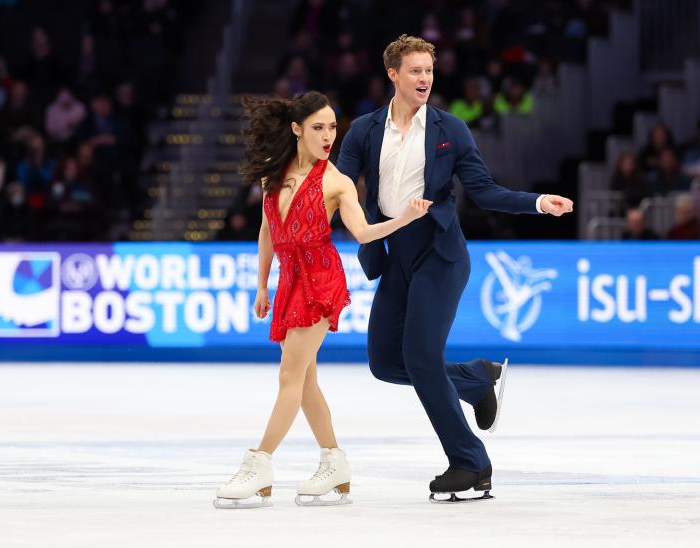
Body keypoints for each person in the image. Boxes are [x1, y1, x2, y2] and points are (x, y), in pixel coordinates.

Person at [337, 35, 573, 503]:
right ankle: (475, 378)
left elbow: (483, 191)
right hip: (393, 254)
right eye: (415, 71)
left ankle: (471, 462)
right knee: (385, 362)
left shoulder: (450, 129)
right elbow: (339, 186)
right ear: (393, 75)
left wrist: (538, 203)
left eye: (429, 70)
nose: (424, 78)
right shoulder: (365, 130)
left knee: (421, 358)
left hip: (439, 255)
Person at [214, 91, 431, 509]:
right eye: (318, 127)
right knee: (306, 380)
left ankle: (260, 464)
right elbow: (267, 231)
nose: (329, 135)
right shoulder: (271, 175)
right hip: (288, 280)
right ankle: (335, 463)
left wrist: (404, 219)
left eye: (333, 127)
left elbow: (364, 233)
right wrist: (262, 285)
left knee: (289, 374)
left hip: (319, 281)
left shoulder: (336, 181)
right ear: (297, 129)